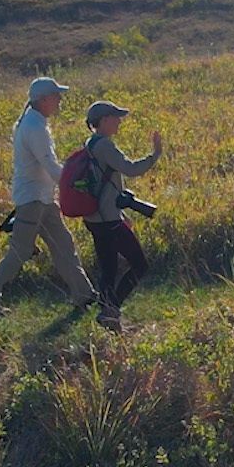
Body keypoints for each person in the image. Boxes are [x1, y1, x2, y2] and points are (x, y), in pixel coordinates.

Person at [0, 76, 98, 317]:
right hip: (33, 199)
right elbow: (48, 164)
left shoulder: (31, 123)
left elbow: (47, 166)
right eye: (56, 96)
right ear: (43, 100)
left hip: (42, 198)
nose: (60, 100)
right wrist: (72, 184)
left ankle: (84, 294)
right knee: (20, 251)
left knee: (64, 245)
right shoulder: (34, 127)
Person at [78, 99, 163, 332]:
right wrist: (155, 154)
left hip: (96, 218)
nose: (119, 122)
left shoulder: (91, 143)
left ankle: (109, 317)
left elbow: (105, 185)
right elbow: (131, 169)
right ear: (104, 120)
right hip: (108, 221)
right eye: (116, 117)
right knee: (139, 264)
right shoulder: (104, 146)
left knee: (108, 267)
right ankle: (111, 309)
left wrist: (120, 212)